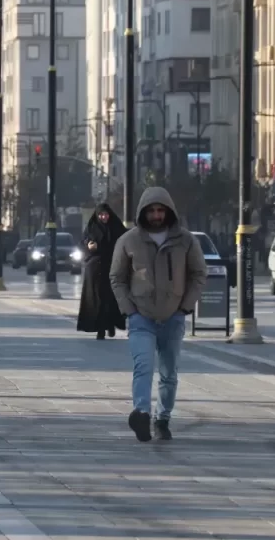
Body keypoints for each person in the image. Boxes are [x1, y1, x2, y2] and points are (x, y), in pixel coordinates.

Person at [110, 187, 207, 443]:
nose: (156, 215)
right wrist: (128, 308)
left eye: (160, 210)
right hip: (141, 316)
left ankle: (162, 418)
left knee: (169, 372)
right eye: (151, 211)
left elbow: (199, 274)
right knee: (143, 365)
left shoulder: (185, 240)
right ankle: (141, 413)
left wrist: (186, 306)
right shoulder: (128, 241)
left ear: (168, 211)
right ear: (143, 212)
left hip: (173, 316)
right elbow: (117, 278)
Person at [76, 203, 128, 340]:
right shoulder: (91, 228)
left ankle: (110, 324)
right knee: (97, 298)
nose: (103, 217)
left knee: (111, 298)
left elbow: (125, 241)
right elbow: (82, 243)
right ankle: (100, 328)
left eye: (105, 214)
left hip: (112, 267)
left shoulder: (116, 228)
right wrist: (89, 245)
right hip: (95, 268)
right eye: (101, 214)